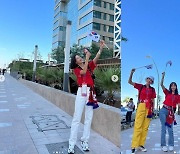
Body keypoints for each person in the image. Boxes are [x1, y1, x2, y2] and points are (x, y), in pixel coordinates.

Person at [68, 40, 105, 154]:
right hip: (81, 91)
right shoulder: (76, 69)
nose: (81, 58)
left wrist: (101, 48)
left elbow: (96, 59)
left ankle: (85, 141)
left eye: (81, 57)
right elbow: (83, 72)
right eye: (78, 58)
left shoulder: (89, 66)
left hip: (90, 92)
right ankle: (71, 144)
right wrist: (87, 57)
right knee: (77, 118)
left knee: (88, 118)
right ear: (76, 62)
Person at [128, 68, 156, 154]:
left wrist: (153, 109)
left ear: (152, 82)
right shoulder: (140, 86)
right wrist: (131, 73)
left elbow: (153, 100)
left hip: (149, 108)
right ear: (146, 79)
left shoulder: (153, 89)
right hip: (141, 105)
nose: (149, 80)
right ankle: (134, 145)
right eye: (148, 79)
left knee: (145, 127)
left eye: (151, 80)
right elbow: (129, 82)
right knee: (138, 126)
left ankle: (141, 144)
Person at [159, 72, 180, 152]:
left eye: (174, 85)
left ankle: (171, 144)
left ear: (176, 87)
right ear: (170, 87)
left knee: (170, 129)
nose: (173, 87)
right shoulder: (167, 93)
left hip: (171, 113)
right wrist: (163, 76)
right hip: (163, 110)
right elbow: (161, 84)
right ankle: (163, 145)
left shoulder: (178, 96)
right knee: (163, 128)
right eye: (172, 85)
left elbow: (178, 104)